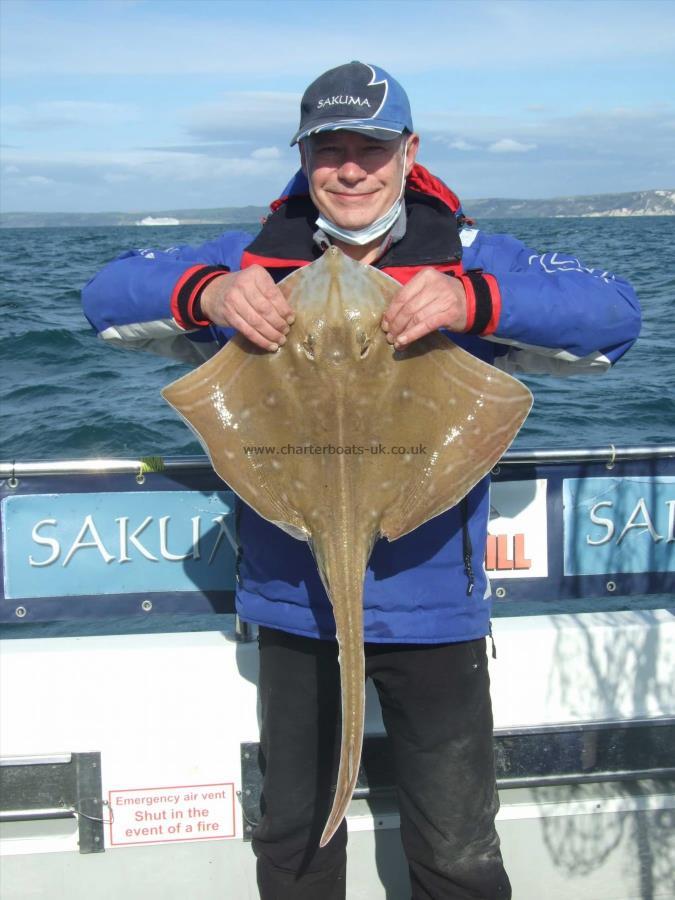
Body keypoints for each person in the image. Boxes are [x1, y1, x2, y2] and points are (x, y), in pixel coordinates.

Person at [82, 62, 641, 899]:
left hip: (435, 611)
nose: (350, 169)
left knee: (456, 850)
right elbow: (105, 293)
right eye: (328, 150)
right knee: (294, 841)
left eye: (370, 150)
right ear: (303, 159)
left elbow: (614, 315)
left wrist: (470, 303)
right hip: (291, 602)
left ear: (408, 154)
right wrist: (211, 292)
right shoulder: (247, 260)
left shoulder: (474, 256)